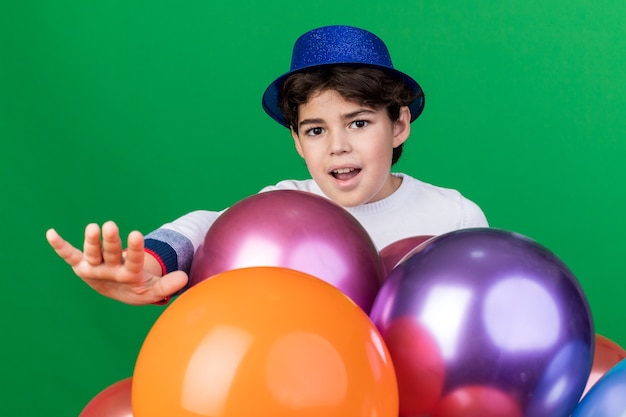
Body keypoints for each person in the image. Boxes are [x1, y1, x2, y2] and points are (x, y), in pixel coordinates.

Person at [46, 25, 488, 306]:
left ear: (399, 125)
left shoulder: (455, 217)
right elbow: (210, 227)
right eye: (315, 130)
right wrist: (152, 264)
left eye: (358, 122)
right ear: (296, 141)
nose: (338, 146)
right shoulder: (283, 207)